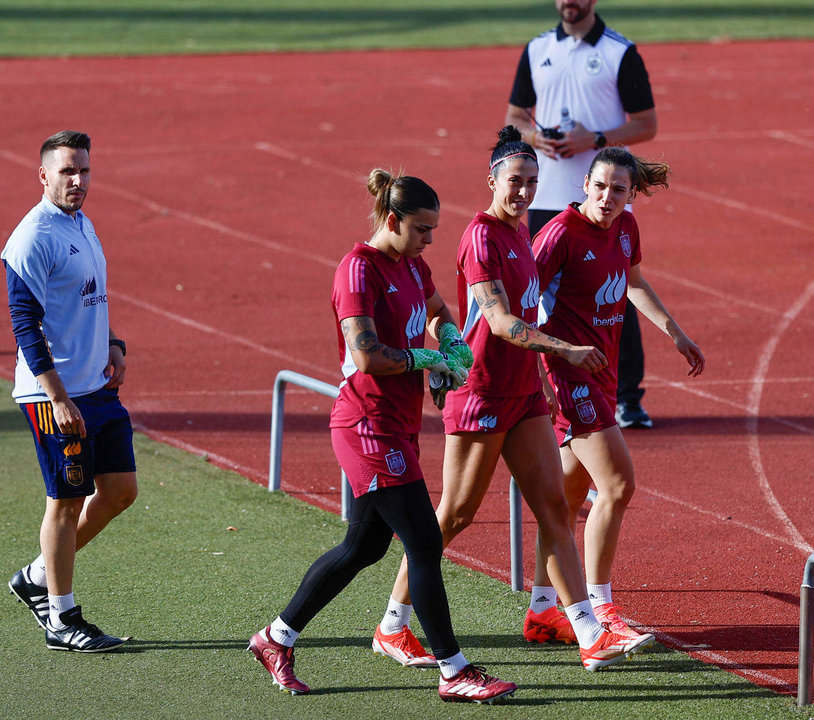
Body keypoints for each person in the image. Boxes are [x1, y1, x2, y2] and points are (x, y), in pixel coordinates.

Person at [373, 127, 650, 673]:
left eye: (531, 182)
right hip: (483, 394)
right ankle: (392, 625)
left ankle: (589, 630)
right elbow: (500, 322)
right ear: (492, 180)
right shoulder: (481, 238)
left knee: (553, 507)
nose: (523, 191)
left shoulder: (522, 234)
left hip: (523, 393)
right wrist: (564, 350)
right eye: (514, 181)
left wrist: (544, 377)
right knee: (454, 515)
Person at [248, 169, 516, 703]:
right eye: (421, 228)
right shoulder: (358, 271)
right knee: (423, 541)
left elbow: (438, 311)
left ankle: (275, 638)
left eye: (434, 230)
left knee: (363, 547)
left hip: (396, 424)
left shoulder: (411, 266)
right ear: (391, 219)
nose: (430, 240)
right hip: (366, 426)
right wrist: (426, 358)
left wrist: (455, 343)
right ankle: (454, 670)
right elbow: (368, 355)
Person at [531, 147, 705, 643]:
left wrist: (676, 332)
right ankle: (599, 608)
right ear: (584, 184)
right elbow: (521, 308)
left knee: (564, 497)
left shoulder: (625, 228)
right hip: (570, 375)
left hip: (602, 375)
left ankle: (544, 608)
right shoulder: (559, 236)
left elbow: (632, 281)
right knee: (617, 486)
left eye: (620, 190)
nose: (608, 198)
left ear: (632, 195)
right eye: (601, 186)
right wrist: (543, 372)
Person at [4, 131, 136, 653]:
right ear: (43, 176)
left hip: (96, 385)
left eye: (84, 170)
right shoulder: (32, 237)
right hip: (54, 393)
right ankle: (62, 618)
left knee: (120, 491)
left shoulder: (82, 223)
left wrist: (114, 343)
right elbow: (24, 323)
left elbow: (90, 298)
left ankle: (37, 575)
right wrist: (57, 396)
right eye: (67, 172)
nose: (78, 181)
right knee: (65, 501)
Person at [506, 0, 658, 429]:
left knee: (615, 295)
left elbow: (646, 123)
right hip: (546, 195)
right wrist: (538, 137)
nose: (569, 2)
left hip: (605, 195)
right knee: (537, 297)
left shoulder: (619, 52)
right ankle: (540, 386)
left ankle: (627, 397)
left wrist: (595, 138)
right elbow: (514, 118)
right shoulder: (536, 50)